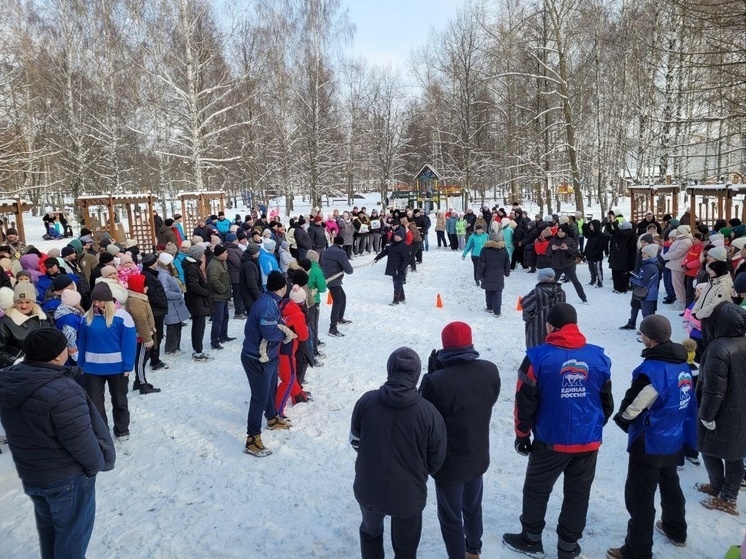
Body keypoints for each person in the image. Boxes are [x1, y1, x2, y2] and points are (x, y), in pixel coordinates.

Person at [504, 303, 614, 559]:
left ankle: (531, 539)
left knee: (536, 489)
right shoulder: (598, 357)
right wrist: (593, 426)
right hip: (588, 442)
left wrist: (522, 435)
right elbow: (606, 401)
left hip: (550, 440)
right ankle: (567, 547)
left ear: (551, 326)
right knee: (578, 494)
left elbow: (524, 400)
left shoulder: (536, 356)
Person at [0, 328, 115, 559]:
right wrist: (95, 466)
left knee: (51, 533)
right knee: (72, 537)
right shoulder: (62, 390)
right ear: (57, 355)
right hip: (66, 479)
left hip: (33, 475)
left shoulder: (10, 381)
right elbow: (81, 441)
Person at [607, 315, 694, 559]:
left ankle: (637, 550)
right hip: (673, 437)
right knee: (670, 483)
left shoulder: (653, 370)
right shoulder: (682, 364)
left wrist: (623, 421)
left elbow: (633, 406)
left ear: (650, 338)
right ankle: (676, 529)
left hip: (651, 441)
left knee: (640, 496)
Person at [351, 347, 447, 559]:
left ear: (389, 369)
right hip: (409, 493)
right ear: (416, 374)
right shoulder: (429, 413)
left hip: (369, 487)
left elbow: (355, 440)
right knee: (406, 548)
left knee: (370, 533)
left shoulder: (366, 401)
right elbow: (436, 460)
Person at [420, 323, 500, 559]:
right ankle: (473, 549)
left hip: (449, 462)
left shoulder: (437, 381)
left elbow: (424, 415)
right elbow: (491, 399)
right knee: (473, 507)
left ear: (444, 346)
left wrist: (432, 376)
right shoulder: (490, 370)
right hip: (477, 454)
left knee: (451, 516)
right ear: (470, 342)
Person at [694, 302, 746, 516]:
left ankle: (727, 497)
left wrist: (706, 415)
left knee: (712, 448)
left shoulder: (718, 348)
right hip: (740, 408)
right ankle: (718, 486)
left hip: (722, 410)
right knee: (734, 451)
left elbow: (713, 388)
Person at [241, 270, 294, 457]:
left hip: (269, 356)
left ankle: (272, 418)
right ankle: (252, 439)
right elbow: (270, 333)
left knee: (271, 389)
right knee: (259, 397)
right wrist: (287, 334)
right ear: (282, 288)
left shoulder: (271, 299)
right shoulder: (268, 306)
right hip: (257, 358)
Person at [77, 282, 137, 439]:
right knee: (95, 404)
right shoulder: (86, 318)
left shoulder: (122, 316)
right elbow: (82, 342)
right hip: (92, 369)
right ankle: (101, 431)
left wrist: (128, 366)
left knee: (119, 400)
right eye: (94, 301)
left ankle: (122, 428)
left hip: (117, 368)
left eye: (100, 301)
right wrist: (81, 363)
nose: (97, 304)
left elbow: (129, 343)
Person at [0, 283, 53, 368]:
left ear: (34, 301)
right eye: (19, 302)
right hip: (19, 371)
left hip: (45, 367)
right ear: (14, 302)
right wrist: (16, 361)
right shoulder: (5, 323)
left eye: (27, 302)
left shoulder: (44, 318)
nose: (24, 306)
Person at [125, 274, 161, 395]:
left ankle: (139, 380)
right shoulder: (136, 302)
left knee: (143, 359)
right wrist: (147, 339)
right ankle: (142, 384)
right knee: (140, 360)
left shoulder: (139, 298)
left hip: (142, 335)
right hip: (140, 337)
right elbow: (141, 321)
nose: (147, 288)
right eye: (145, 286)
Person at [521, 268, 567, 349]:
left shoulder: (537, 292)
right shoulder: (561, 292)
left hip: (538, 327)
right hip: (555, 328)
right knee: (553, 349)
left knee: (537, 351)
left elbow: (524, 303)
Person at [183, 245, 214, 361]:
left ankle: (197, 350)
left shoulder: (192, 265)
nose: (203, 257)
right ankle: (198, 352)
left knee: (198, 326)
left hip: (196, 301)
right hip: (197, 301)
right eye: (202, 255)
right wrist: (206, 292)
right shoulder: (192, 267)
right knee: (199, 327)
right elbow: (194, 285)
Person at [156, 252, 189, 356]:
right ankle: (170, 349)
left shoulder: (165, 273)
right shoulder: (163, 275)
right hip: (171, 305)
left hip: (174, 305)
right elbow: (165, 292)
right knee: (172, 327)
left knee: (177, 326)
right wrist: (178, 294)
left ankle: (175, 348)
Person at [322, 236, 353, 337]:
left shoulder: (327, 250)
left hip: (327, 277)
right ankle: (332, 328)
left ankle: (339, 318)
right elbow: (349, 270)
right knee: (338, 301)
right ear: (342, 244)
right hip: (333, 279)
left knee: (342, 297)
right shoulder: (340, 252)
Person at [373, 222, 410, 305]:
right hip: (394, 267)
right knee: (398, 283)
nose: (397, 238)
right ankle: (402, 298)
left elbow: (406, 259)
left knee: (397, 284)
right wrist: (377, 258)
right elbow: (385, 251)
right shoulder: (393, 244)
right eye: (396, 236)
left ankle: (396, 300)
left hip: (399, 268)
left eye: (398, 236)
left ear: (402, 237)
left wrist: (402, 269)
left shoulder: (404, 246)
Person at [550, 223, 587, 303]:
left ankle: (583, 298)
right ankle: (548, 298)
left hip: (568, 266)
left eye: (562, 232)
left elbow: (576, 253)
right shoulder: (553, 240)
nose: (560, 233)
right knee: (551, 283)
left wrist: (567, 248)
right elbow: (546, 253)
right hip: (556, 266)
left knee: (575, 282)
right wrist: (552, 249)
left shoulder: (570, 241)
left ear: (565, 232)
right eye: (559, 231)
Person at [207, 245, 235, 350]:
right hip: (218, 296)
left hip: (223, 296)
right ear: (220, 255)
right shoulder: (214, 265)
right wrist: (224, 289)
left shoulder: (221, 263)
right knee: (218, 319)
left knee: (225, 317)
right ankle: (214, 340)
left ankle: (223, 335)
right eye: (225, 253)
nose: (227, 254)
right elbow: (214, 280)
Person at [476, 238, 511, 316]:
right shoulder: (503, 249)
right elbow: (507, 261)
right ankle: (497, 311)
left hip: (487, 274)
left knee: (488, 291)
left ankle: (489, 307)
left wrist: (478, 276)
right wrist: (507, 272)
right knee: (497, 293)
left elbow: (481, 264)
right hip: (499, 275)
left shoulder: (485, 249)